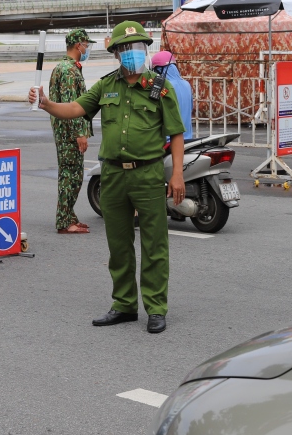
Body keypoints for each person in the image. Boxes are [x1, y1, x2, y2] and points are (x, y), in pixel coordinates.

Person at [29, 20, 186, 334]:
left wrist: (178, 174)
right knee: (119, 244)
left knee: (155, 244)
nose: (133, 53)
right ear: (116, 54)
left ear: (145, 49)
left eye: (138, 47)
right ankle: (125, 305)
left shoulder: (160, 87)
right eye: (126, 48)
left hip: (148, 173)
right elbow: (74, 109)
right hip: (113, 175)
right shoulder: (106, 85)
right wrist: (46, 103)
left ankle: (155, 307)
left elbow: (176, 132)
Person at [50, 29, 95, 234]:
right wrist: (79, 133)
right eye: (86, 44)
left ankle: (69, 215)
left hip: (65, 131)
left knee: (71, 174)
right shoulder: (68, 70)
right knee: (71, 176)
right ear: (79, 46)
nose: (87, 48)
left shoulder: (66, 67)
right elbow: (72, 104)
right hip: (69, 132)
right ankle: (64, 221)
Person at [150, 51, 193, 141]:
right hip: (188, 139)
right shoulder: (187, 84)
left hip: (169, 142)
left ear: (159, 70)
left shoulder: (163, 87)